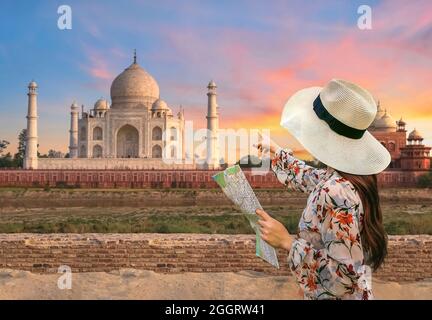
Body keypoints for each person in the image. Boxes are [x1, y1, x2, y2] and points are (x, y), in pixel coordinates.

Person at [255, 79, 390, 300]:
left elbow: (344, 277)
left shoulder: (335, 192)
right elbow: (313, 178)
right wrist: (277, 153)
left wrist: (286, 242)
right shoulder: (352, 178)